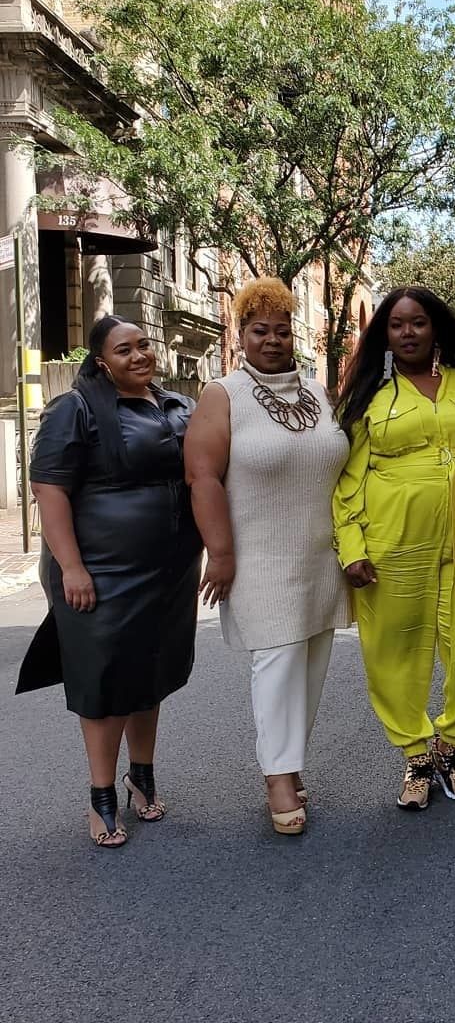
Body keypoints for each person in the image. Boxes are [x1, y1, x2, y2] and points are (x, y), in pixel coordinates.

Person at [20, 316, 202, 848]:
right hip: (101, 571)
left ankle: (141, 775)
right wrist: (72, 567)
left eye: (144, 344)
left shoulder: (176, 404)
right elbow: (49, 489)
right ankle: (101, 795)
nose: (139, 354)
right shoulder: (75, 409)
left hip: (171, 568)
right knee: (105, 682)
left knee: (152, 673)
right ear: (102, 361)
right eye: (124, 349)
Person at [185, 277, 350, 836]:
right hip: (257, 556)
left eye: (282, 330)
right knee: (277, 663)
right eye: (260, 330)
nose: (273, 340)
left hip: (321, 555)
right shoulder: (222, 394)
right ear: (241, 334)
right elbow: (202, 476)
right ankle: (277, 776)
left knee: (312, 664)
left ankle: (290, 761)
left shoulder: (318, 392)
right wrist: (220, 553)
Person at [333, 286, 455, 810]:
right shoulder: (370, 397)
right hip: (393, 545)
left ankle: (449, 748)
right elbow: (347, 481)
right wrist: (351, 546)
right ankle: (416, 757)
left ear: (436, 329)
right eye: (397, 324)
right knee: (394, 655)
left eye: (418, 322)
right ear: (385, 335)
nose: (408, 332)